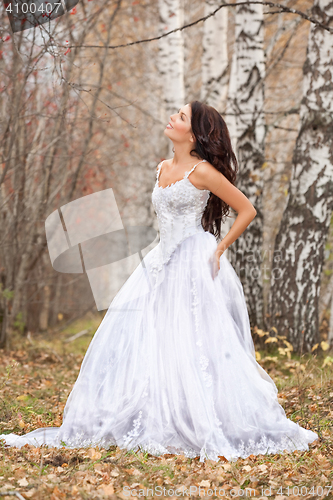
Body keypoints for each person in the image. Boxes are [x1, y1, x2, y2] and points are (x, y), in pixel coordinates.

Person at [0, 101, 318, 463]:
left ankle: (201, 414)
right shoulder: (162, 168)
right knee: (153, 335)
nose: (172, 118)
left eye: (181, 117)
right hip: (161, 260)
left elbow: (247, 210)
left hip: (193, 260)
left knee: (193, 340)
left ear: (195, 134)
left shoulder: (203, 172)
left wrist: (219, 250)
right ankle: (156, 407)